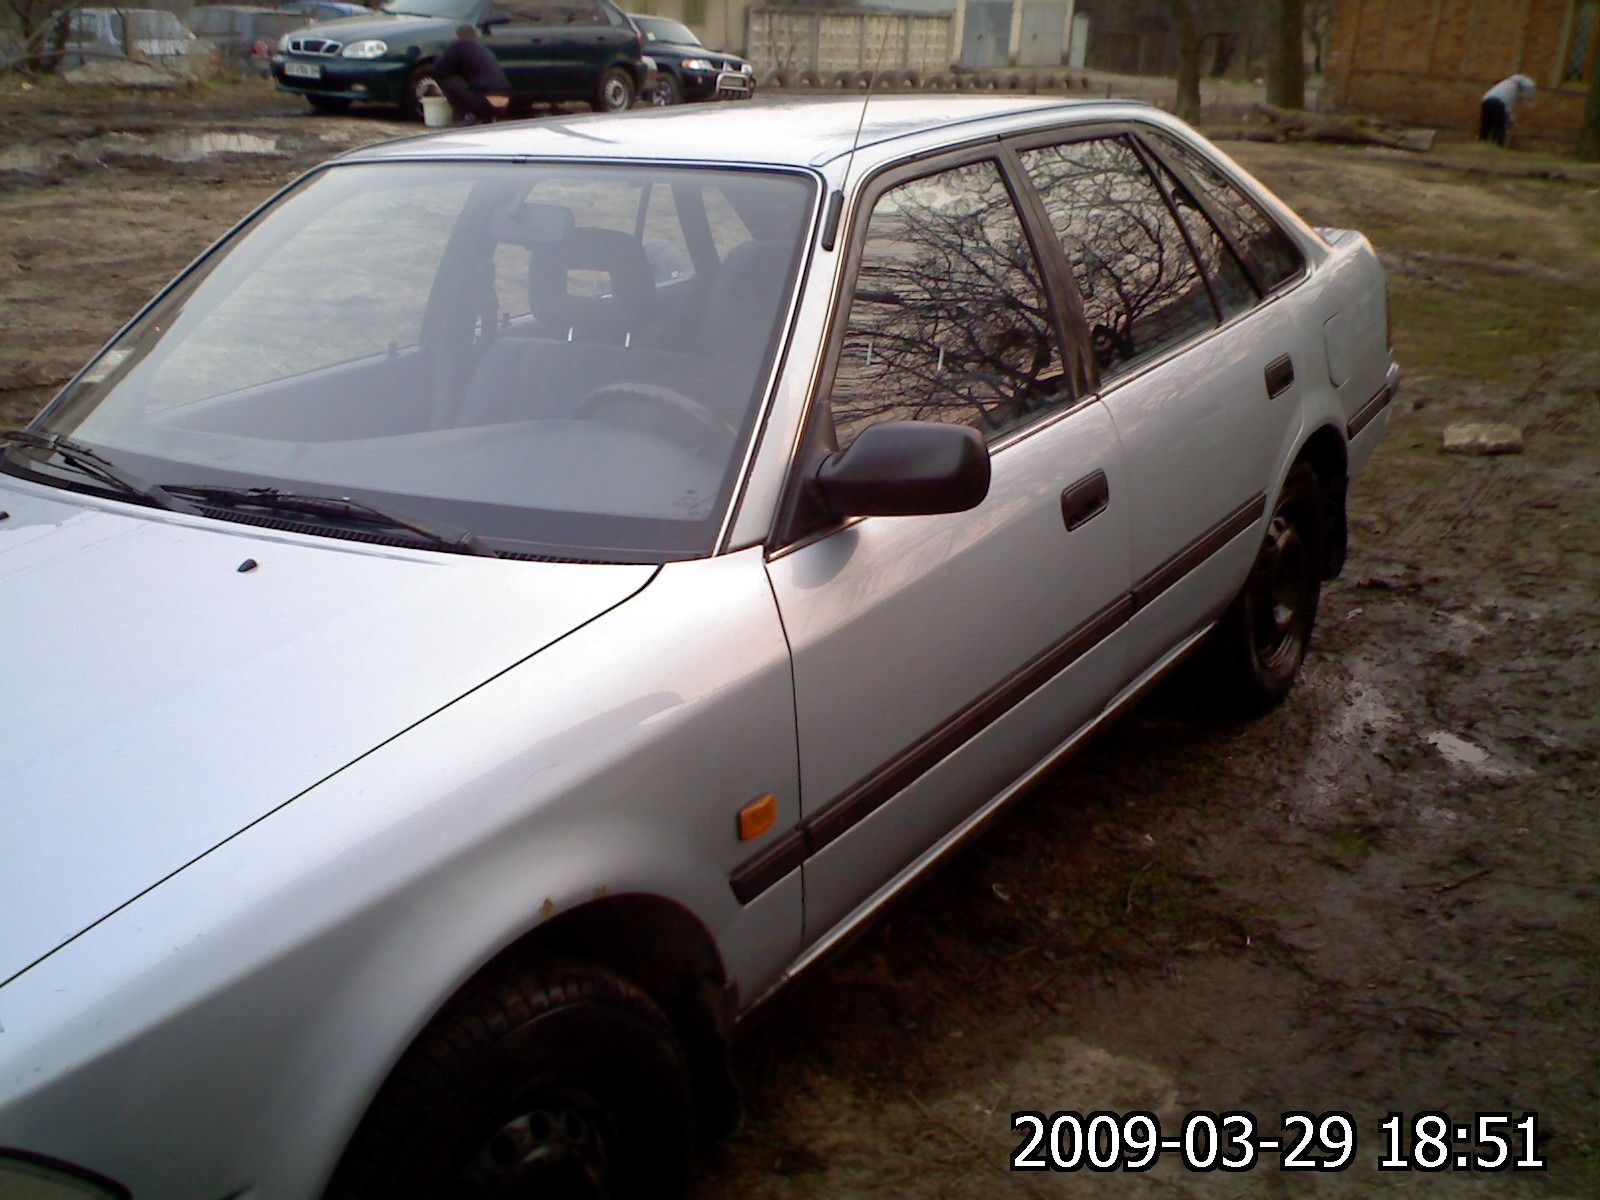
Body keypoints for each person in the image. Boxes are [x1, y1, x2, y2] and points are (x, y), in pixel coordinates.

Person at [430, 25, 511, 125]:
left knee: (447, 79)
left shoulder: (459, 44)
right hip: (504, 104)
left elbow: (438, 69)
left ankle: (465, 116)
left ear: (456, 37)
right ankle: (486, 118)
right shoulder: (484, 50)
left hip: (484, 102)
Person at [1479, 73, 1535, 146]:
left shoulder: (1505, 84)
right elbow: (1508, 109)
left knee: (1486, 125)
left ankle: (1482, 142)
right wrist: (1512, 122)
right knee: (1499, 127)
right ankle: (1498, 145)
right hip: (1498, 103)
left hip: (1486, 101)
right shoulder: (1513, 89)